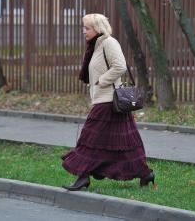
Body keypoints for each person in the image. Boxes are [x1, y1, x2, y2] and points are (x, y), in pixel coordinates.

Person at [61, 13, 155, 191]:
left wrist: (102, 80)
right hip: (106, 103)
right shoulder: (96, 46)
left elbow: (120, 66)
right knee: (124, 144)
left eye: (87, 28)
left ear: (98, 28)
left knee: (88, 140)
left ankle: (83, 177)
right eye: (84, 27)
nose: (84, 31)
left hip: (108, 102)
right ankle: (145, 174)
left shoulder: (109, 42)